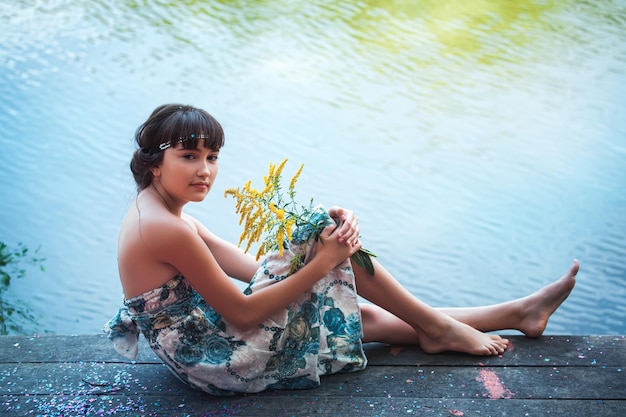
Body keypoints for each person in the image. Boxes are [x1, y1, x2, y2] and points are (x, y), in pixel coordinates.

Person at [105, 103, 578, 396]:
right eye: (189, 156)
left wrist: (320, 240)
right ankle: (443, 327)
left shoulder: (163, 212)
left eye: (212, 157)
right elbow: (246, 314)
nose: (205, 170)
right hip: (215, 363)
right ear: (154, 162)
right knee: (334, 263)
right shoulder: (166, 228)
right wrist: (327, 259)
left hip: (208, 340)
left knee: (353, 309)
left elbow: (252, 270)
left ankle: (516, 313)